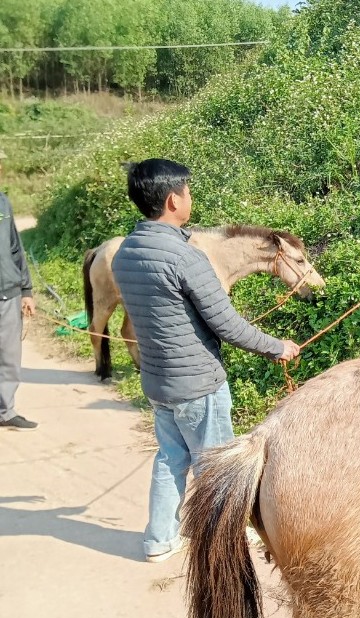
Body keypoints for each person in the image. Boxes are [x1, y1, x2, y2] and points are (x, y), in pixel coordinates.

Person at [111, 158, 300, 562]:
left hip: (159, 382)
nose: (190, 199)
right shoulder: (187, 259)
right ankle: (224, 541)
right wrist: (276, 346)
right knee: (215, 466)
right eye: (188, 192)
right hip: (197, 382)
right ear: (172, 199)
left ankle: (159, 540)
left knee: (169, 459)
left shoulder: (126, 251)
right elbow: (227, 324)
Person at [0, 149, 38, 430]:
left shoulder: (3, 202)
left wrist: (26, 290)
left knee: (8, 355)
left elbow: (16, 249)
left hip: (8, 293)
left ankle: (5, 411)